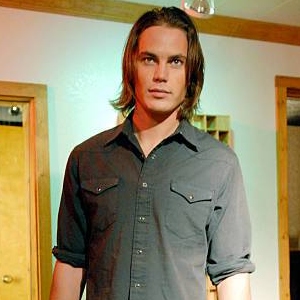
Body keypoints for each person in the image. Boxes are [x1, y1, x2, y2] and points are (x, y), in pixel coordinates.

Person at [50, 6, 255, 300]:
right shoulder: (87, 158)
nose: (161, 74)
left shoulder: (220, 164)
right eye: (149, 59)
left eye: (175, 61)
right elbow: (70, 262)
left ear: (190, 74)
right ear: (131, 67)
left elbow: (232, 272)